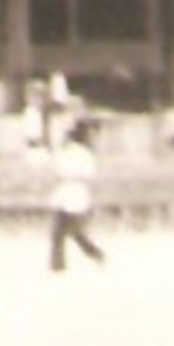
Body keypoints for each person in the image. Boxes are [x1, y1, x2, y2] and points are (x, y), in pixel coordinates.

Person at [48, 116, 107, 271]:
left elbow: (85, 173)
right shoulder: (69, 151)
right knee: (60, 232)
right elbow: (58, 168)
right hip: (66, 192)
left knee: (73, 231)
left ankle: (96, 254)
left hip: (75, 194)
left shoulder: (82, 153)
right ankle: (58, 265)